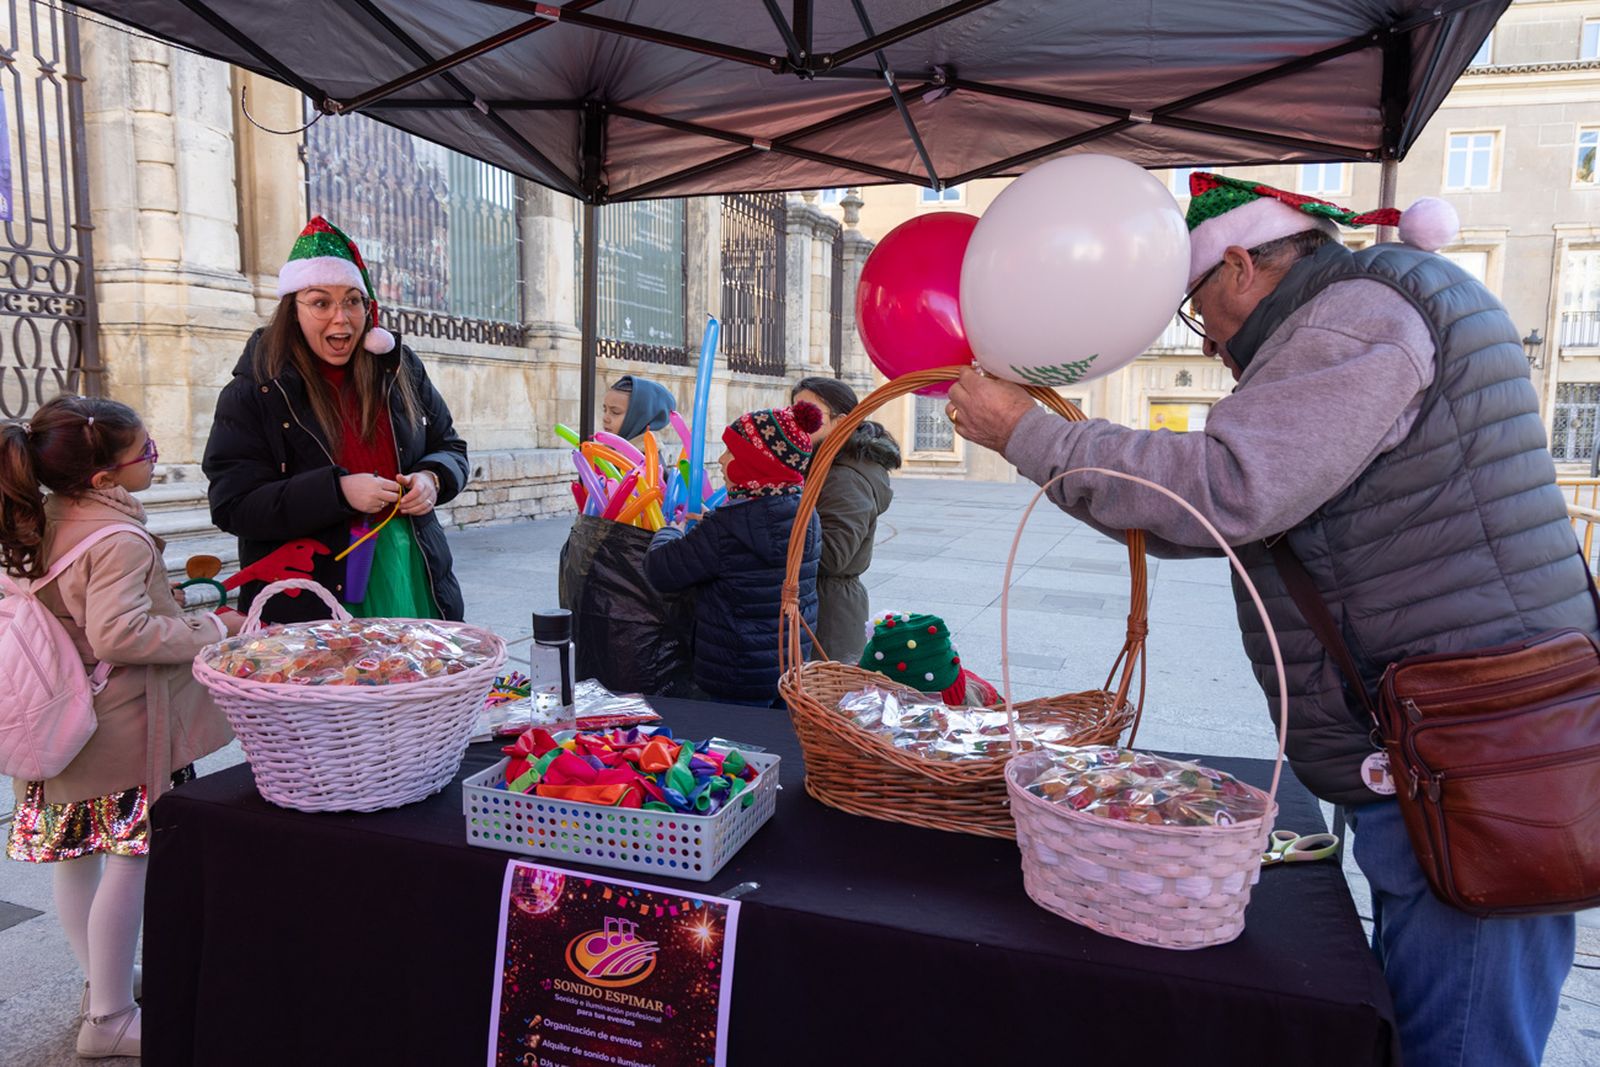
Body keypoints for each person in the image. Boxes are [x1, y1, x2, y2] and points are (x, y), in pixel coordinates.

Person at [945, 172, 1585, 1067]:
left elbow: (1229, 486)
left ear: (1242, 264)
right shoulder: (1365, 306)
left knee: (1465, 1033)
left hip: (1471, 751)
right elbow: (1231, 510)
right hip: (1452, 737)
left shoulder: (1361, 315)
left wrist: (1031, 433)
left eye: (1198, 309)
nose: (1205, 342)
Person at [2, 395, 239, 1059]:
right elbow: (120, 631)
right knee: (129, 862)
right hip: (117, 729)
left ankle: (98, 983)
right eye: (147, 451)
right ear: (105, 477)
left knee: (75, 858)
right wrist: (214, 625)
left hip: (58, 721)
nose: (156, 455)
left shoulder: (44, 514)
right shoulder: (120, 538)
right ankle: (108, 1017)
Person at [204, 217, 470, 624]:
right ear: (293, 310)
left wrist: (433, 479)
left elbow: (449, 446)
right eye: (320, 302)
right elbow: (233, 505)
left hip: (412, 572)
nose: (341, 319)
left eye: (351, 301)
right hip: (310, 593)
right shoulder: (254, 391)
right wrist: (338, 493)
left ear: (368, 307)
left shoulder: (399, 369)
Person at [644, 401, 823, 705]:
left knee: (732, 749)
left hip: (733, 671)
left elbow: (661, 570)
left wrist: (670, 530)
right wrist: (713, 524)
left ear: (755, 465)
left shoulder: (727, 527)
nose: (721, 459)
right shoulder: (805, 511)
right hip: (787, 665)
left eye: (731, 453)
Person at [791, 377, 900, 663]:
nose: (797, 423)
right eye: (795, 414)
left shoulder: (845, 476)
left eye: (809, 415)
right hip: (818, 601)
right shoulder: (825, 463)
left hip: (830, 614)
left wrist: (770, 526)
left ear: (840, 422)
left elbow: (833, 555)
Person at [601, 375, 677, 444]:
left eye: (615, 412)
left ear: (641, 418)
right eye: (605, 410)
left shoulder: (645, 458)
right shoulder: (612, 451)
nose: (605, 418)